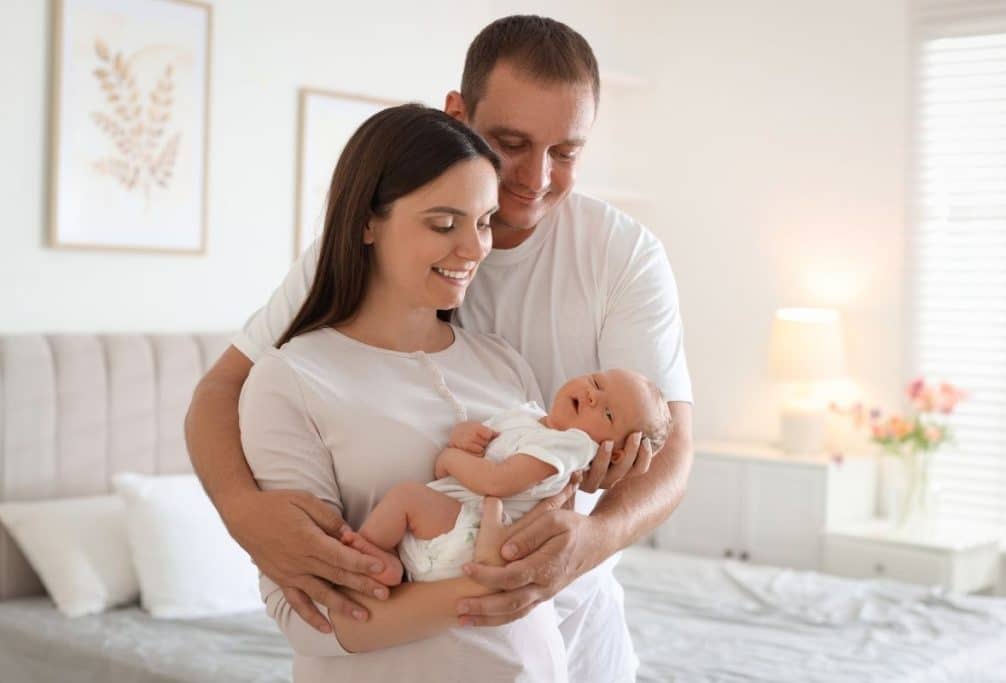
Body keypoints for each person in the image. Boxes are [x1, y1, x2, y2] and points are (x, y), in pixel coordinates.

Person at [185, 15, 694, 683]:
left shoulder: (613, 259)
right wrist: (245, 514)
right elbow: (221, 389)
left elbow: (672, 445)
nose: (536, 177)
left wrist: (590, 538)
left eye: (566, 152)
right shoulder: (335, 306)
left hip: (566, 627)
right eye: (511, 143)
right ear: (458, 114)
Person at [239, 103, 575, 679]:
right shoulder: (292, 379)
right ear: (367, 222)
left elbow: (546, 532)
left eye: (484, 222)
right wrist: (492, 591)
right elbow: (311, 617)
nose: (474, 249)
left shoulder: (504, 365)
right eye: (443, 224)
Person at [355, 369, 672, 586]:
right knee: (406, 504)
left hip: (472, 533)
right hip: (448, 526)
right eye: (596, 382)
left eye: (608, 413)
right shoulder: (529, 416)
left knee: (405, 498)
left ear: (614, 453)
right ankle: (389, 564)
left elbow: (496, 482)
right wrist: (465, 436)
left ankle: (363, 558)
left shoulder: (570, 446)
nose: (592, 396)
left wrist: (450, 458)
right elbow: (476, 458)